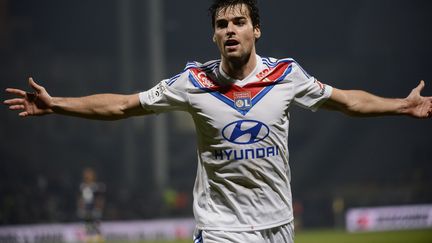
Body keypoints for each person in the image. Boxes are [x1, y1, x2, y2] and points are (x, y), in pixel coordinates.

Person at [3, 0, 432, 242]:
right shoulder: (193, 82)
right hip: (222, 229)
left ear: (256, 30)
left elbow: (347, 102)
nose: (230, 30)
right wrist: (56, 103)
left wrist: (402, 105)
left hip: (279, 226)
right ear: (213, 34)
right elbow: (121, 105)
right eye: (221, 24)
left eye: (239, 22)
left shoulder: (287, 75)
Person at [77, 167, 106, 243]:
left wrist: (98, 208)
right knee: (86, 227)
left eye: (89, 174)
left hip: (94, 209)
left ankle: (97, 239)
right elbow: (80, 199)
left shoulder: (96, 186)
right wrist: (81, 208)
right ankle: (87, 240)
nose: (87, 176)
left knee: (96, 227)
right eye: (86, 174)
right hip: (85, 210)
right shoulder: (82, 186)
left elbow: (99, 199)